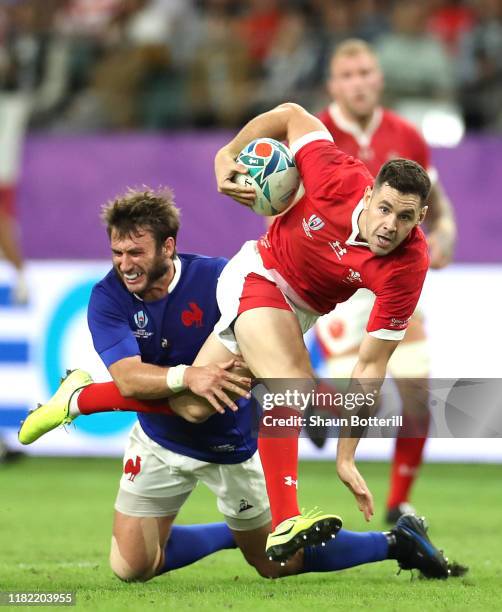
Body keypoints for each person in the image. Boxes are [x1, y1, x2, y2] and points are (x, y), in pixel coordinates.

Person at [18, 187, 460, 582]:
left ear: (168, 247)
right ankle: (237, 531)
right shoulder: (107, 296)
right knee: (131, 567)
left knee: (277, 563)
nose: (124, 265)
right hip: (159, 441)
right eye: (117, 253)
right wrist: (191, 374)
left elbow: (274, 343)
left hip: (228, 441)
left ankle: (393, 543)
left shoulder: (219, 280)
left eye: (135, 253)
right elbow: (129, 378)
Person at [312, 38, 457, 523]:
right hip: (334, 280)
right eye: (347, 74)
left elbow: (434, 199)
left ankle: (398, 502)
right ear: (333, 84)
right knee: (359, 399)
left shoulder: (407, 135)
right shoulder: (316, 134)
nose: (358, 82)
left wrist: (447, 228)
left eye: (365, 72)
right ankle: (318, 403)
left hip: (390, 275)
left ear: (379, 78)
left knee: (417, 390)